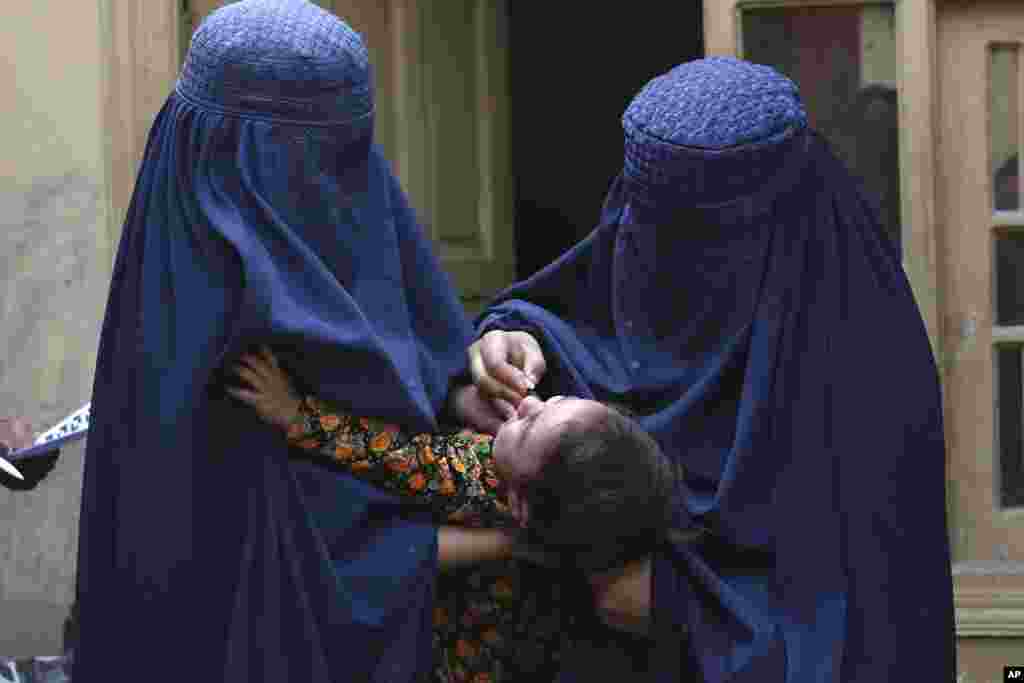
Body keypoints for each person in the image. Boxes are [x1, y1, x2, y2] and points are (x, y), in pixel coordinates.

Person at [458, 57, 955, 681]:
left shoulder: (865, 378)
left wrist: (687, 611)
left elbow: (871, 623)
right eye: (641, 218)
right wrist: (510, 335)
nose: (649, 249)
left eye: (690, 236)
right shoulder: (633, 253)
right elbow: (572, 311)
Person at [73, 2, 496, 681]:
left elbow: (423, 343)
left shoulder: (221, 197)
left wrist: (479, 367)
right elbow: (323, 545)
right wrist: (507, 541)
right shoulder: (220, 300)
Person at [226, 346, 692, 681]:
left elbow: (391, 454)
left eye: (528, 427)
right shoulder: (587, 538)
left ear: (519, 504)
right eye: (551, 401)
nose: (528, 401)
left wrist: (293, 414)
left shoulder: (476, 473)